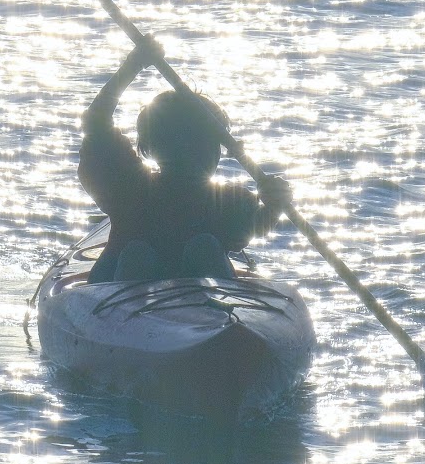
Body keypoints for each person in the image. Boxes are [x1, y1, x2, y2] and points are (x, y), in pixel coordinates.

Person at [78, 38, 288, 283]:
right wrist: (274, 207)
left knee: (204, 247)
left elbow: (96, 123)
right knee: (137, 255)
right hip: (129, 295)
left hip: (199, 305)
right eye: (185, 142)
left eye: (200, 142)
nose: (191, 151)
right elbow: (259, 224)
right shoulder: (132, 188)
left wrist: (276, 202)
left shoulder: (129, 187)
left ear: (148, 147)